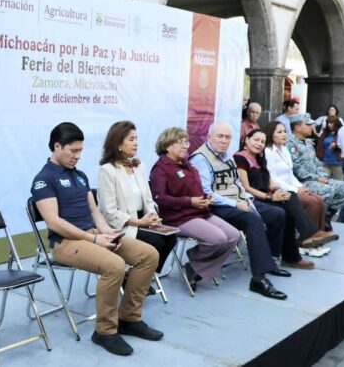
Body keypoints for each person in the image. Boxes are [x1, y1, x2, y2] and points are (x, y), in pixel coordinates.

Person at [31, 122, 162, 356]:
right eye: (73, 151)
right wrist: (93, 239)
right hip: (66, 243)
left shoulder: (80, 176)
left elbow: (94, 212)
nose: (78, 156)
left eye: (80, 151)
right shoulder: (44, 179)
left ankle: (129, 318)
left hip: (92, 236)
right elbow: (53, 222)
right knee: (115, 265)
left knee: (148, 255)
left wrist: (106, 232)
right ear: (57, 146)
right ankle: (105, 331)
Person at [189, 122, 289, 300]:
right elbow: (206, 193)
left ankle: (270, 260)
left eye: (227, 137)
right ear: (209, 137)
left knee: (277, 214)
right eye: (220, 136)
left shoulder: (227, 156)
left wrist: (247, 199)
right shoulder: (200, 159)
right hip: (216, 206)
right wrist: (236, 204)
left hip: (238, 200)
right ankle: (258, 278)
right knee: (252, 220)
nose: (224, 141)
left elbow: (237, 183)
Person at [149, 127, 240, 292]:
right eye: (180, 143)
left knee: (234, 236)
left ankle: (194, 266)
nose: (185, 146)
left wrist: (206, 198)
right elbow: (160, 198)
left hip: (199, 212)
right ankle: (196, 266)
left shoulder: (188, 165)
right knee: (218, 238)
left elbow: (196, 190)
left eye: (186, 142)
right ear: (167, 146)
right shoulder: (160, 169)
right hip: (178, 218)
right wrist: (189, 202)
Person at [234, 130, 332, 268]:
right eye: (256, 140)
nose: (259, 144)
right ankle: (298, 246)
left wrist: (278, 190)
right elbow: (246, 188)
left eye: (262, 141)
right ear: (246, 140)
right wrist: (271, 197)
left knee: (290, 196)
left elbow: (269, 181)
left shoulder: (259, 157)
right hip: (252, 198)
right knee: (284, 212)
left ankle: (299, 247)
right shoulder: (240, 158)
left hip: (266, 195)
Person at [97, 121, 177, 275]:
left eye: (136, 139)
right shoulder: (107, 170)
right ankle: (136, 278)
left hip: (143, 221)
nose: (136, 143)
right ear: (118, 144)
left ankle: (143, 277)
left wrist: (152, 216)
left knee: (171, 238)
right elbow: (109, 212)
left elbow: (148, 200)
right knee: (157, 241)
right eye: (131, 139)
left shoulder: (139, 167)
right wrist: (139, 222)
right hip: (123, 225)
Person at [264, 121, 335, 239]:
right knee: (311, 202)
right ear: (271, 134)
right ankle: (306, 237)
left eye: (284, 131)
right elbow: (273, 178)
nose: (284, 134)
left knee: (319, 200)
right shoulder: (268, 151)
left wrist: (300, 186)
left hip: (292, 187)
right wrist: (296, 190)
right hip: (279, 189)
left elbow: (290, 174)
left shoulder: (284, 149)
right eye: (279, 132)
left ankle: (318, 234)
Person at [286, 113, 344, 226]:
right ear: (297, 127)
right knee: (328, 190)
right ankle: (315, 224)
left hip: (317, 179)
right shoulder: (290, 144)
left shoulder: (308, 143)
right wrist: (317, 179)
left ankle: (326, 217)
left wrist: (324, 176)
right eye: (308, 125)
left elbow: (317, 163)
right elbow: (296, 168)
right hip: (302, 182)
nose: (311, 127)